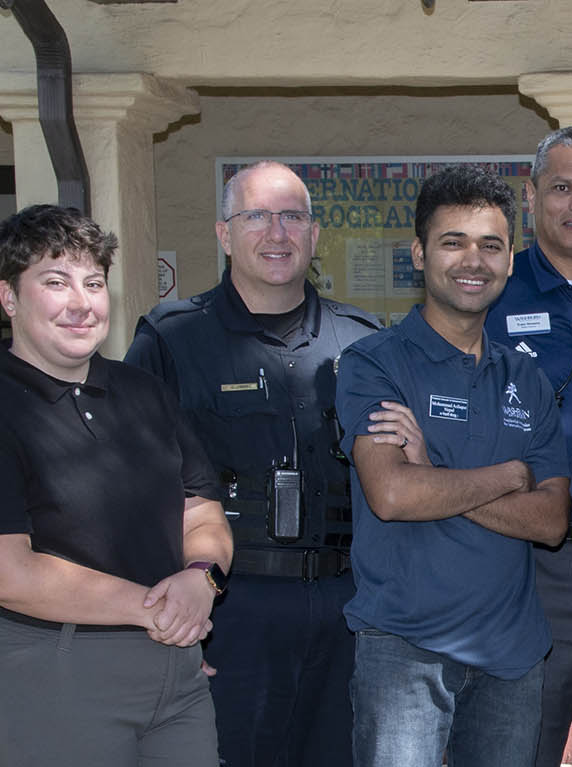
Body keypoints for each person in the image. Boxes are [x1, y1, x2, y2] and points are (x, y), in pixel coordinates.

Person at [0, 204, 234, 766]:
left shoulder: (146, 395)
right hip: (42, 666)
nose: (81, 303)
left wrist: (199, 579)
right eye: (55, 281)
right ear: (9, 297)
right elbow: (4, 573)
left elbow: (201, 510)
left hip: (171, 672)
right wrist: (159, 609)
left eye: (93, 282)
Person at [125, 160, 380, 767]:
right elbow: (129, 487)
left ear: (315, 236)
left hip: (346, 606)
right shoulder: (172, 339)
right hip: (228, 607)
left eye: (293, 217)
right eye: (257, 216)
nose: (277, 233)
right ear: (223, 233)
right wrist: (158, 618)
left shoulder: (364, 342)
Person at [338, 165, 572, 766]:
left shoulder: (528, 379)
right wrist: (509, 474)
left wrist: (432, 469)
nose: (474, 260)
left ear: (511, 261)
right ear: (419, 254)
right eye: (453, 242)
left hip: (512, 659)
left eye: (491, 245)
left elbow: (550, 522)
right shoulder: (374, 363)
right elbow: (392, 495)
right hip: (404, 650)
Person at [486, 125, 572, 767]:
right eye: (563, 187)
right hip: (526, 561)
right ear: (532, 195)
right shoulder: (490, 292)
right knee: (526, 740)